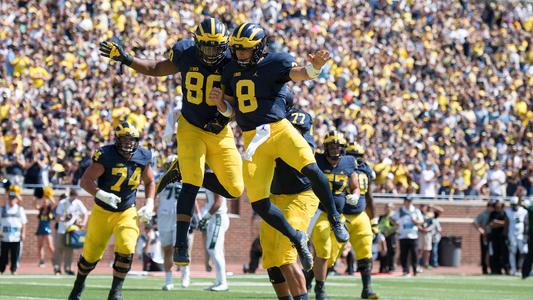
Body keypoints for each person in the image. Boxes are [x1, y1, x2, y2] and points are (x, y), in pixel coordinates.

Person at [99, 17, 245, 266]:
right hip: (190, 126)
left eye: (215, 47)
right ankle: (180, 244)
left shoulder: (234, 61)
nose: (211, 52)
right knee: (193, 181)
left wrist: (222, 108)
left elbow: (236, 108)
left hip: (219, 131)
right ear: (197, 43)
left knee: (235, 189)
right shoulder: (185, 52)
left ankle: (181, 171)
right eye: (206, 46)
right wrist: (127, 59)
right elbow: (156, 68)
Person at [210, 22, 349, 270]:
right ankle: (296, 237)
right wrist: (221, 104)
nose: (240, 54)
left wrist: (314, 68)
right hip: (253, 137)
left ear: (260, 47)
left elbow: (299, 73)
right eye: (237, 49)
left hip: (280, 129)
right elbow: (232, 112)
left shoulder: (275, 62)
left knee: (311, 169)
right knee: (259, 202)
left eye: (245, 49)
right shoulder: (230, 69)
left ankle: (336, 219)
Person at [68, 121, 156, 300]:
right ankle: (78, 285)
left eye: (132, 139)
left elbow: (150, 181)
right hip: (102, 211)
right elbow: (85, 181)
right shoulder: (106, 155)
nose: (128, 143)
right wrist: (101, 194)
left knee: (127, 246)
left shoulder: (143, 156)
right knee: (91, 256)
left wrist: (149, 202)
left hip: (126, 210)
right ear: (117, 139)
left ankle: (115, 292)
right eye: (124, 139)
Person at [262, 108, 319, 300]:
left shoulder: (305, 144)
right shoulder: (278, 132)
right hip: (275, 198)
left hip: (299, 197)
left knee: (286, 256)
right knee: (271, 258)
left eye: (299, 129)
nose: (295, 132)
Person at [309, 130, 360, 300]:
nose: (334, 149)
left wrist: (356, 195)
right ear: (325, 147)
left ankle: (308, 279)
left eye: (337, 146)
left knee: (331, 257)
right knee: (323, 250)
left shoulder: (348, 163)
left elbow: (355, 186)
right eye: (331, 145)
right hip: (320, 212)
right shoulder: (317, 160)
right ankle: (320, 290)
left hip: (339, 216)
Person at [343, 142, 379, 299]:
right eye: (353, 156)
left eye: (359, 156)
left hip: (360, 214)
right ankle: (313, 286)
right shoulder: (339, 168)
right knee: (327, 254)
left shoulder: (365, 171)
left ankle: (367, 288)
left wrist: (374, 220)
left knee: (365, 251)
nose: (356, 159)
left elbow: (370, 198)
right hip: (341, 215)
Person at [198, 189, 230, 291]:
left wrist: (206, 217)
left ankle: (223, 282)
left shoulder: (215, 179)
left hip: (218, 217)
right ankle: (219, 281)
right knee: (214, 250)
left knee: (214, 249)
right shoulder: (209, 179)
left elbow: (218, 202)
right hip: (214, 218)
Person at [54, 189, 88, 275]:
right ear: (70, 195)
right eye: (73, 196)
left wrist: (83, 223)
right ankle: (57, 269)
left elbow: (85, 213)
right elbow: (57, 218)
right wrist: (64, 219)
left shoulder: (78, 202)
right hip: (62, 229)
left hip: (72, 230)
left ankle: (68, 268)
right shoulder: (62, 203)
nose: (74, 198)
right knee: (59, 249)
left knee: (70, 249)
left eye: (75, 196)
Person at [392, 195, 424, 277]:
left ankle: (415, 269)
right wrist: (397, 224)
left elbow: (421, 221)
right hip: (403, 235)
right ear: (404, 202)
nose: (408, 203)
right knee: (404, 254)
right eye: (407, 201)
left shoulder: (416, 211)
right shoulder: (400, 211)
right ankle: (405, 270)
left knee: (414, 253)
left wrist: (415, 221)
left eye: (410, 201)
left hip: (413, 235)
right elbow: (392, 219)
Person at [0, 184, 27, 275]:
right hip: (5, 236)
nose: (12, 200)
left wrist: (23, 233)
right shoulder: (2, 209)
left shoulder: (20, 209)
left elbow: (24, 223)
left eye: (13, 198)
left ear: (16, 199)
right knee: (3, 255)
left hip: (16, 236)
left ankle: (13, 269)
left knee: (15, 255)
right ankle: (2, 269)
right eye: (10, 198)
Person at [505, 197, 527, 276]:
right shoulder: (508, 211)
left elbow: (526, 223)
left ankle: (521, 268)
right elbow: (506, 224)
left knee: (524, 251)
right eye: (513, 205)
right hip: (512, 234)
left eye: (515, 204)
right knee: (512, 252)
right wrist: (506, 235)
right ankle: (514, 270)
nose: (514, 206)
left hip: (521, 234)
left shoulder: (524, 211)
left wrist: (526, 234)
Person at [35, 186, 55, 268]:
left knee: (50, 246)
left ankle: (55, 260)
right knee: (40, 246)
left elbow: (54, 203)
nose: (45, 202)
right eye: (44, 201)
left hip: (47, 229)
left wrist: (48, 195)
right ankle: (41, 261)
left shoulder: (50, 209)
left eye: (46, 201)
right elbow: (34, 204)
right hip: (40, 229)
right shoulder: (40, 209)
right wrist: (37, 196)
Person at [488, 200, 509, 275]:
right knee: (495, 253)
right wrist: (500, 223)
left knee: (504, 253)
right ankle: (496, 270)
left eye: (499, 204)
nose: (498, 205)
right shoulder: (493, 213)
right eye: (496, 204)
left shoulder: (505, 213)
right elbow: (491, 224)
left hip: (503, 236)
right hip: (494, 236)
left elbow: (506, 223)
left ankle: (506, 269)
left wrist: (497, 222)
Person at [473, 201, 494, 274]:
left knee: (492, 252)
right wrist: (480, 230)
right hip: (485, 235)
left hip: (492, 235)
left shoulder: (494, 214)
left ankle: (493, 268)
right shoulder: (483, 214)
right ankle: (484, 269)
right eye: (491, 207)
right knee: (484, 252)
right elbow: (475, 222)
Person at [378, 203, 397, 273]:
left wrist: (389, 231)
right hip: (382, 236)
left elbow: (397, 226)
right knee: (382, 252)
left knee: (391, 251)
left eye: (388, 207)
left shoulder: (393, 216)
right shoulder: (382, 217)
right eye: (386, 207)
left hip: (391, 236)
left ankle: (391, 267)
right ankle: (383, 267)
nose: (386, 209)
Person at [522, 199, 533, 279]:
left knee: (530, 255)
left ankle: (525, 273)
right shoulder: (531, 208)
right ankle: (525, 273)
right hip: (532, 234)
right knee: (530, 254)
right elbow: (522, 205)